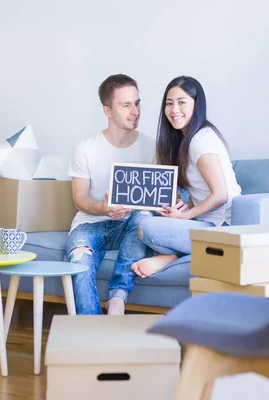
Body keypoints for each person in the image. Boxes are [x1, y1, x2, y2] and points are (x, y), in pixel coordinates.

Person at [131, 76, 242, 278]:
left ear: (196, 105)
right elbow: (202, 189)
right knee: (148, 217)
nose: (174, 110)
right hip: (205, 221)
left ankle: (171, 256)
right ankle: (175, 253)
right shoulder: (185, 140)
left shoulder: (202, 140)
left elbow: (220, 195)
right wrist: (186, 206)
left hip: (223, 225)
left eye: (182, 102)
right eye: (169, 103)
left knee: (145, 228)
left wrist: (185, 216)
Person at [66, 74, 155, 315]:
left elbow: (157, 198)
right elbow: (79, 198)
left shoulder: (151, 147)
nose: (135, 111)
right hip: (90, 225)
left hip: (131, 224)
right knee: (79, 262)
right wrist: (103, 209)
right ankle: (92, 329)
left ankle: (118, 297)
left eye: (137, 103)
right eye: (125, 105)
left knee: (144, 217)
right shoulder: (85, 149)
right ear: (107, 110)